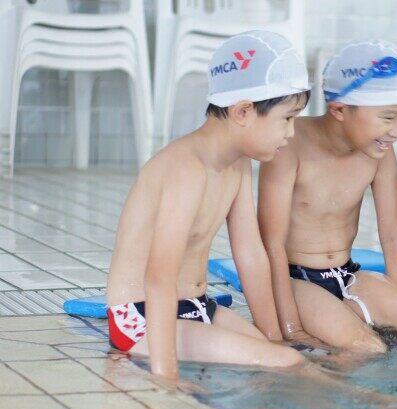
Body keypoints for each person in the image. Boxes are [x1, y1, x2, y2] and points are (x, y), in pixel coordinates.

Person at [106, 31, 307, 380]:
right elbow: (159, 278)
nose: (291, 133)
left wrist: (275, 338)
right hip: (142, 317)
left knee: (292, 359)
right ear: (243, 111)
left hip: (198, 306)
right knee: (286, 364)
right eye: (287, 119)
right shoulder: (186, 169)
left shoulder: (238, 163)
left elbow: (250, 255)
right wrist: (166, 376)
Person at [259, 39, 397, 354]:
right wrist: (289, 327)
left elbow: (392, 233)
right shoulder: (289, 145)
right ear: (340, 110)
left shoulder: (379, 152)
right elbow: (271, 242)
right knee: (365, 348)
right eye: (389, 117)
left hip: (347, 275)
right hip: (295, 282)